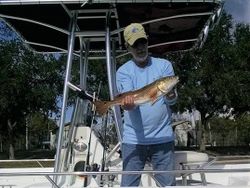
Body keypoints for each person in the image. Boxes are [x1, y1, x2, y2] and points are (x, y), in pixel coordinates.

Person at [116, 23, 178, 186]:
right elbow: (131, 103)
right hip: (133, 140)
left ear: (148, 42)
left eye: (142, 42)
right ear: (128, 47)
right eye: (135, 44)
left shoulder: (165, 66)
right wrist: (127, 105)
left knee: (168, 185)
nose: (140, 48)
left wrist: (171, 93)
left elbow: (171, 100)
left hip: (163, 138)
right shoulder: (123, 71)